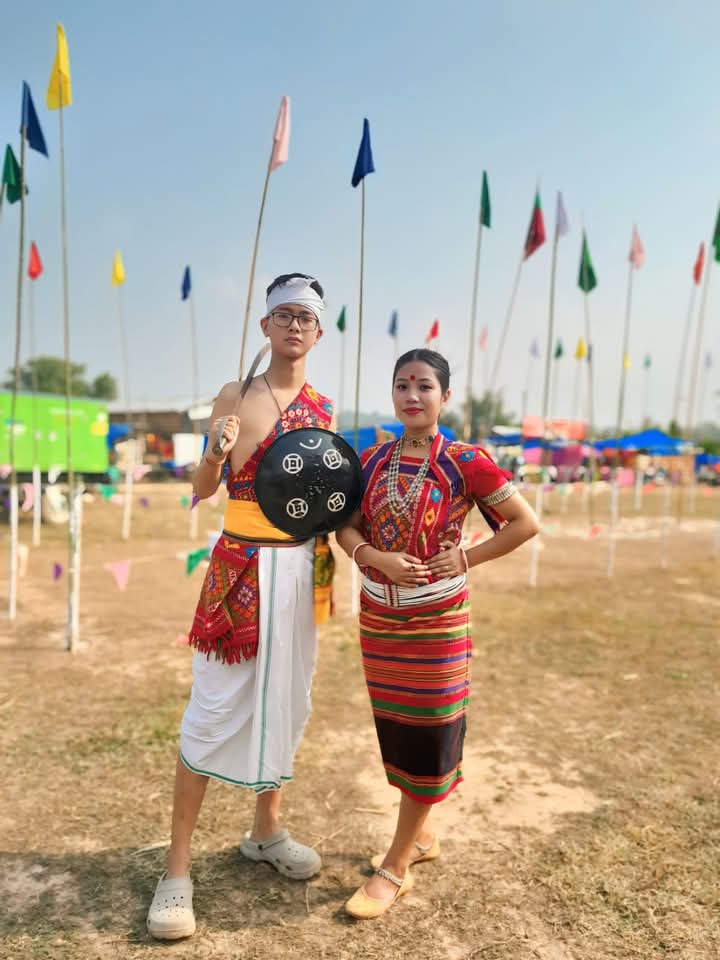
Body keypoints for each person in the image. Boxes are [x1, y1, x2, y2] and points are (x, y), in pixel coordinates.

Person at [147, 274, 335, 940]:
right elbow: (202, 489)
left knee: (284, 699)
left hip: (300, 570)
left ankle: (265, 831)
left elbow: (328, 499)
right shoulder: (235, 396)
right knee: (215, 706)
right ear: (265, 327)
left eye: (305, 318)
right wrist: (215, 452)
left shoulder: (324, 407)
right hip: (239, 567)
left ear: (319, 331)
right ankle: (175, 871)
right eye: (282, 315)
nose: (293, 327)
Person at [336, 348, 539, 920]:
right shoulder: (370, 460)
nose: (412, 396)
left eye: (425, 386)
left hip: (437, 622)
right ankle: (422, 837)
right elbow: (345, 530)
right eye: (402, 385)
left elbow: (526, 522)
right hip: (379, 616)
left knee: (430, 734)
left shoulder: (467, 461)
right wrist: (374, 555)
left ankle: (395, 866)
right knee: (399, 732)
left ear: (444, 397)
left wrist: (467, 558)